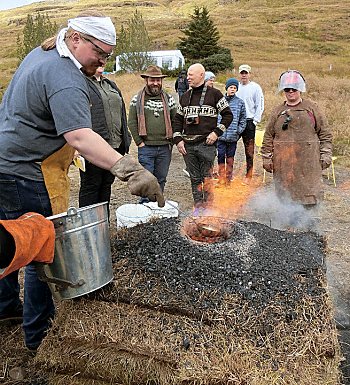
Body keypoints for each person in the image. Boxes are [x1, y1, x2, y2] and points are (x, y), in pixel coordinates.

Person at [0, 11, 164, 352]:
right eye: (100, 53)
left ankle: (6, 310)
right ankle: (38, 334)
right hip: (27, 171)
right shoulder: (66, 77)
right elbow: (80, 136)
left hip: (6, 162)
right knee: (41, 248)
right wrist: (129, 169)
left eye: (107, 55)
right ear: (76, 39)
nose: (102, 61)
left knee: (7, 237)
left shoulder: (44, 51)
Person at [261, 70, 332, 207]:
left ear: (300, 89)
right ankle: (287, 225)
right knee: (286, 198)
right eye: (287, 89)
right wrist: (266, 157)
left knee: (308, 200)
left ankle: (308, 225)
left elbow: (325, 134)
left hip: (308, 163)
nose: (290, 92)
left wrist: (326, 154)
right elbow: (268, 136)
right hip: (283, 163)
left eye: (294, 89)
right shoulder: (278, 111)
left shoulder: (312, 108)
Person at [173, 63, 233, 213]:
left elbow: (228, 115)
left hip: (206, 144)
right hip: (188, 146)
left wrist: (216, 133)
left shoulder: (215, 94)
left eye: (190, 75)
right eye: (187, 75)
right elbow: (177, 120)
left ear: (201, 75)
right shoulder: (185, 96)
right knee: (194, 178)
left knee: (206, 178)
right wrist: (178, 140)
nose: (187, 78)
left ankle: (210, 209)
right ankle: (198, 208)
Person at [77, 65, 131, 219]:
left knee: (106, 185)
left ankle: (103, 225)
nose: (101, 64)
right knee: (90, 187)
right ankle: (88, 229)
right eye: (97, 61)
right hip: (92, 148)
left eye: (104, 61)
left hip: (115, 147)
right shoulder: (81, 83)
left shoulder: (110, 85)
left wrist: (125, 136)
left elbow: (120, 112)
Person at [128, 65, 177, 202]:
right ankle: (145, 206)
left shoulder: (169, 99)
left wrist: (171, 141)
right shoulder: (137, 99)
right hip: (146, 147)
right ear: (146, 80)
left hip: (165, 147)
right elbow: (132, 122)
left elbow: (176, 121)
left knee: (161, 178)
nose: (155, 83)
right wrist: (140, 143)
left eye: (158, 80)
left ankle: (157, 205)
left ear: (161, 81)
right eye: (152, 80)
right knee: (146, 179)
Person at [235, 64, 264, 182]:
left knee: (249, 150)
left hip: (249, 121)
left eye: (246, 73)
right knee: (229, 147)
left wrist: (255, 121)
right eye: (242, 73)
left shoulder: (255, 87)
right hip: (236, 122)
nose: (244, 75)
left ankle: (248, 175)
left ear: (249, 74)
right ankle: (227, 173)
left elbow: (259, 105)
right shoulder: (235, 86)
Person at [217, 78, 246, 184]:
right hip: (221, 135)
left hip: (233, 136)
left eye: (234, 88)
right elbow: (215, 116)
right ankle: (221, 178)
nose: (232, 89)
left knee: (230, 158)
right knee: (220, 156)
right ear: (227, 88)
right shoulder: (220, 101)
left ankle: (228, 178)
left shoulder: (240, 103)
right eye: (231, 87)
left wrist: (238, 131)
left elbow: (243, 119)